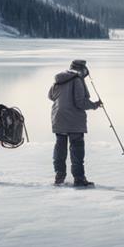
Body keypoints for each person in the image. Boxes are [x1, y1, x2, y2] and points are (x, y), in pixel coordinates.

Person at [49, 59, 102, 187]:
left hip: (58, 117)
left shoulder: (59, 79)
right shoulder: (77, 80)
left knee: (60, 148)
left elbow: (51, 96)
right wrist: (95, 105)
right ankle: (79, 178)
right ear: (82, 70)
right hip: (73, 120)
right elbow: (80, 102)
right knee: (77, 148)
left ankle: (59, 176)